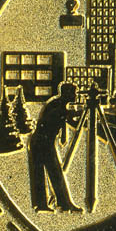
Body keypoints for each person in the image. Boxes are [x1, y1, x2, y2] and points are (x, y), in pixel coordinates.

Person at [28, 82, 82, 212]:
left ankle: (60, 203)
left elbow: (68, 119)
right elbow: (58, 117)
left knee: (53, 173)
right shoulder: (57, 107)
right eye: (74, 93)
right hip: (41, 142)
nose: (75, 96)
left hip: (44, 142)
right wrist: (70, 114)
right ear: (67, 94)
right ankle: (49, 204)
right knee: (51, 173)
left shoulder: (59, 105)